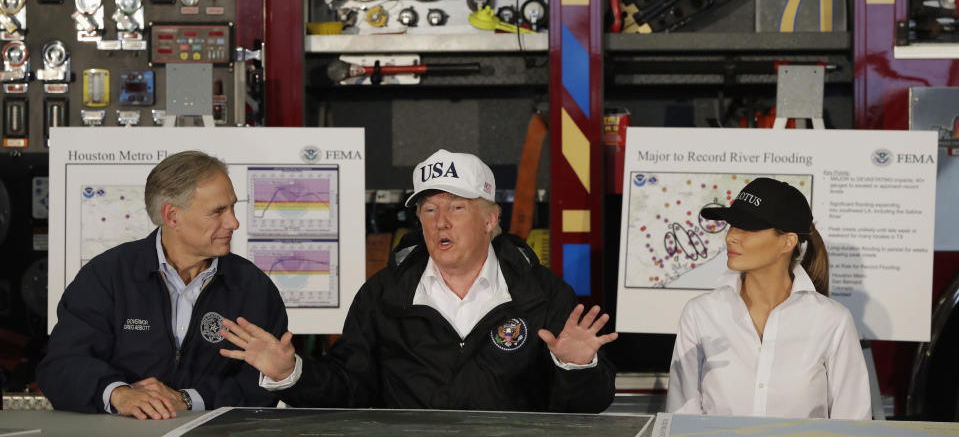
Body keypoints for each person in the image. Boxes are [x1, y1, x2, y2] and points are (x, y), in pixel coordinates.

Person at [218, 148, 618, 412]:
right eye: (429, 209)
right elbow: (349, 389)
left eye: (457, 207)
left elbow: (585, 411)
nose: (441, 221)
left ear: (490, 220)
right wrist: (292, 374)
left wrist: (577, 368)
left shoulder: (542, 293)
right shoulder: (384, 295)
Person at [37, 150, 288, 419]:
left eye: (232, 207)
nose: (234, 222)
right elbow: (62, 366)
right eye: (218, 211)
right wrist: (119, 394)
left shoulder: (253, 287)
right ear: (172, 216)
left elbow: (265, 383)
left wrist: (189, 400)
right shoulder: (107, 275)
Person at [667, 177, 871, 419]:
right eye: (732, 225)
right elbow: (680, 419)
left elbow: (854, 424)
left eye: (747, 228)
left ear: (787, 241)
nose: (731, 236)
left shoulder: (832, 320)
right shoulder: (701, 313)